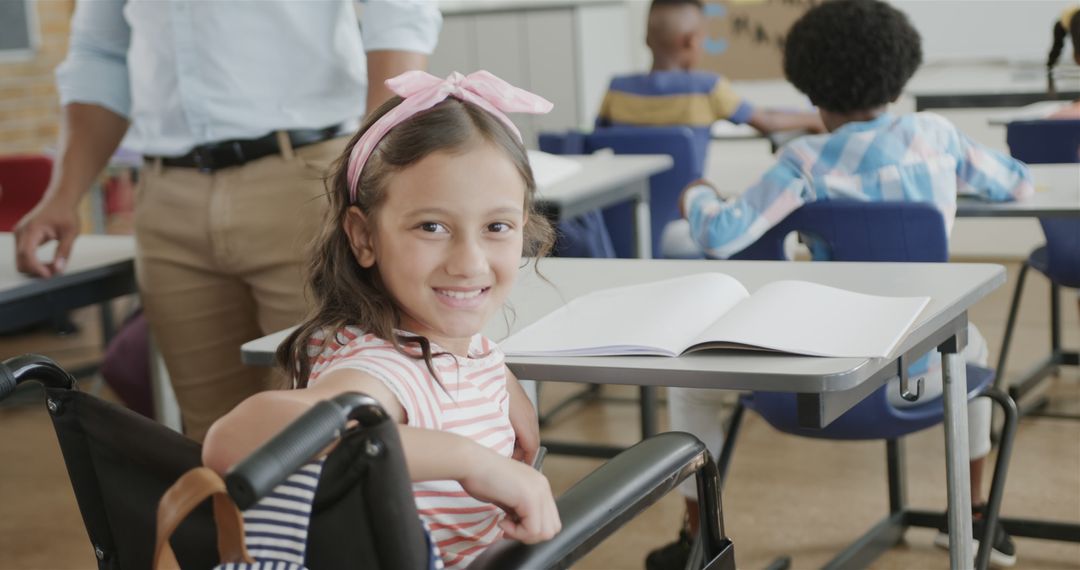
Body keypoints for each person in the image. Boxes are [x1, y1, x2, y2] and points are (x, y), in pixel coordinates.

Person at [649, 2, 1033, 569]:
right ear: (899, 73)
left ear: (809, 87)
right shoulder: (937, 136)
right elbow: (1017, 185)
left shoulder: (804, 160)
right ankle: (975, 521)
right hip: (922, 373)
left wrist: (695, 194)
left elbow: (720, 234)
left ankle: (696, 540)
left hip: (821, 379)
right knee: (968, 346)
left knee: (689, 384)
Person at [13, 1, 441, 441]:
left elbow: (399, 13)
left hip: (308, 183)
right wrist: (63, 196)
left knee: (328, 430)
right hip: (167, 198)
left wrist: (368, 165)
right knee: (213, 437)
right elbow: (99, 52)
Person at [200, 70, 562, 570]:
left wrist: (495, 373)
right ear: (364, 237)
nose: (469, 262)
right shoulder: (379, 374)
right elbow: (233, 440)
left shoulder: (442, 342)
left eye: (496, 227)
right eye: (431, 226)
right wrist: (469, 460)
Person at [596, 0, 826, 145]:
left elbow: (595, 139)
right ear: (690, 42)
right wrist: (816, 118)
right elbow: (767, 121)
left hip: (625, 209)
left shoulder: (616, 89)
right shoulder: (708, 88)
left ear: (646, 39)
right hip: (684, 207)